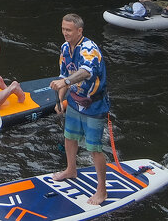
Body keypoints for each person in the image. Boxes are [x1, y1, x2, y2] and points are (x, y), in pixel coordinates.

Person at [49, 13, 109, 206]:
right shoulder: (65, 48)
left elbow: (85, 72)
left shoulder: (89, 48)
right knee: (69, 137)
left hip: (94, 104)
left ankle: (102, 190)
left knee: (94, 148)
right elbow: (63, 76)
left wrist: (65, 81)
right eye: (63, 29)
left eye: (69, 30)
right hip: (74, 101)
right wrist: (60, 100)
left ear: (79, 31)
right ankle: (71, 169)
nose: (65, 33)